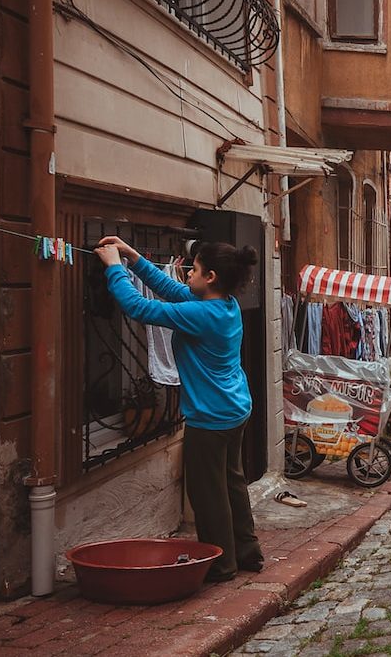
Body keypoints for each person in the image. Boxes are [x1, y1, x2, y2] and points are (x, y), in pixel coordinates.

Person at [95, 236, 264, 582]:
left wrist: (114, 267)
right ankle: (248, 553)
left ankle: (221, 564)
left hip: (211, 418)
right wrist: (135, 257)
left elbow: (140, 308)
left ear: (211, 276)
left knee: (207, 493)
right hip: (234, 409)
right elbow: (172, 290)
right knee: (232, 483)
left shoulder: (202, 314)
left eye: (194, 269)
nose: (187, 273)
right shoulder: (224, 305)